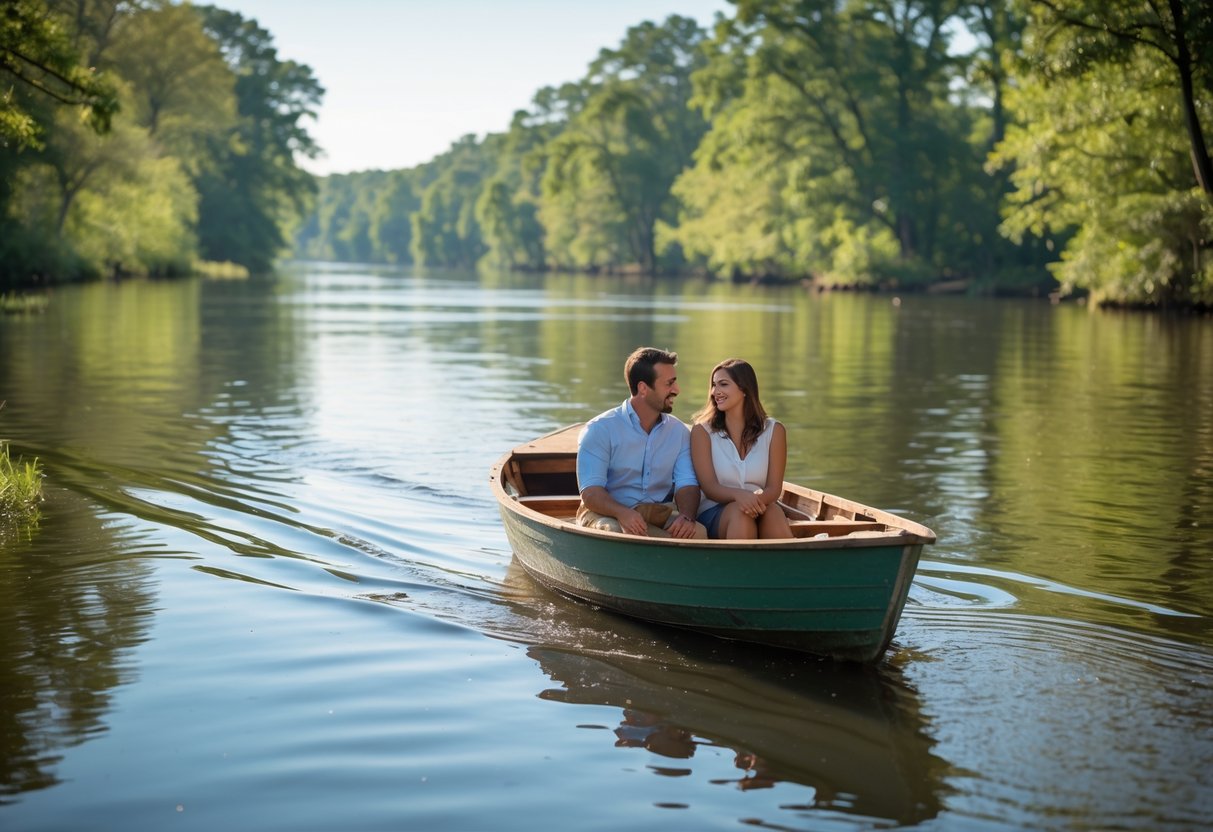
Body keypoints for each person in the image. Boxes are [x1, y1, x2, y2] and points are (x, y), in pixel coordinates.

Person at [576, 347, 707, 538]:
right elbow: (590, 492)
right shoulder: (599, 429)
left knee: (699, 533)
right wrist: (622, 513)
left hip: (657, 512)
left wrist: (687, 517)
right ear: (643, 388)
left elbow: (687, 483)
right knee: (616, 533)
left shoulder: (678, 432)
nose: (676, 390)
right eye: (669, 384)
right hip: (604, 512)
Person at [690, 358, 792, 540]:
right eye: (714, 385)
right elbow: (710, 487)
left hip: (762, 504)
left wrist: (754, 501)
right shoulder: (702, 431)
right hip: (715, 510)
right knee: (741, 514)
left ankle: (790, 566)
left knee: (774, 513)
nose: (715, 392)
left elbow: (774, 489)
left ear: (744, 389)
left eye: (723, 384)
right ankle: (739, 568)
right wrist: (740, 496)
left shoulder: (774, 431)